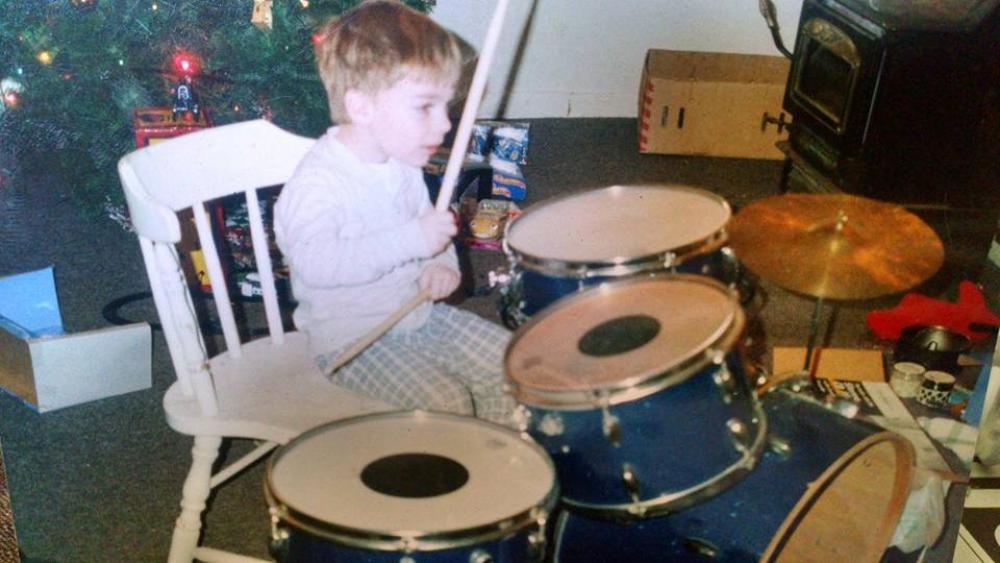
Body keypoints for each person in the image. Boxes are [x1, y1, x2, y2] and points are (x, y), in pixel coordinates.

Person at [274, 0, 515, 425]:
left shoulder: (402, 164)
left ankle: (492, 472)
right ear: (362, 107)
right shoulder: (318, 183)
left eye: (446, 106)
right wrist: (413, 240)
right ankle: (448, 480)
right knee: (446, 403)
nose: (444, 125)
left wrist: (442, 264)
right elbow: (316, 265)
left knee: (510, 368)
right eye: (425, 107)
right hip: (354, 339)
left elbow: (432, 232)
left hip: (417, 313)